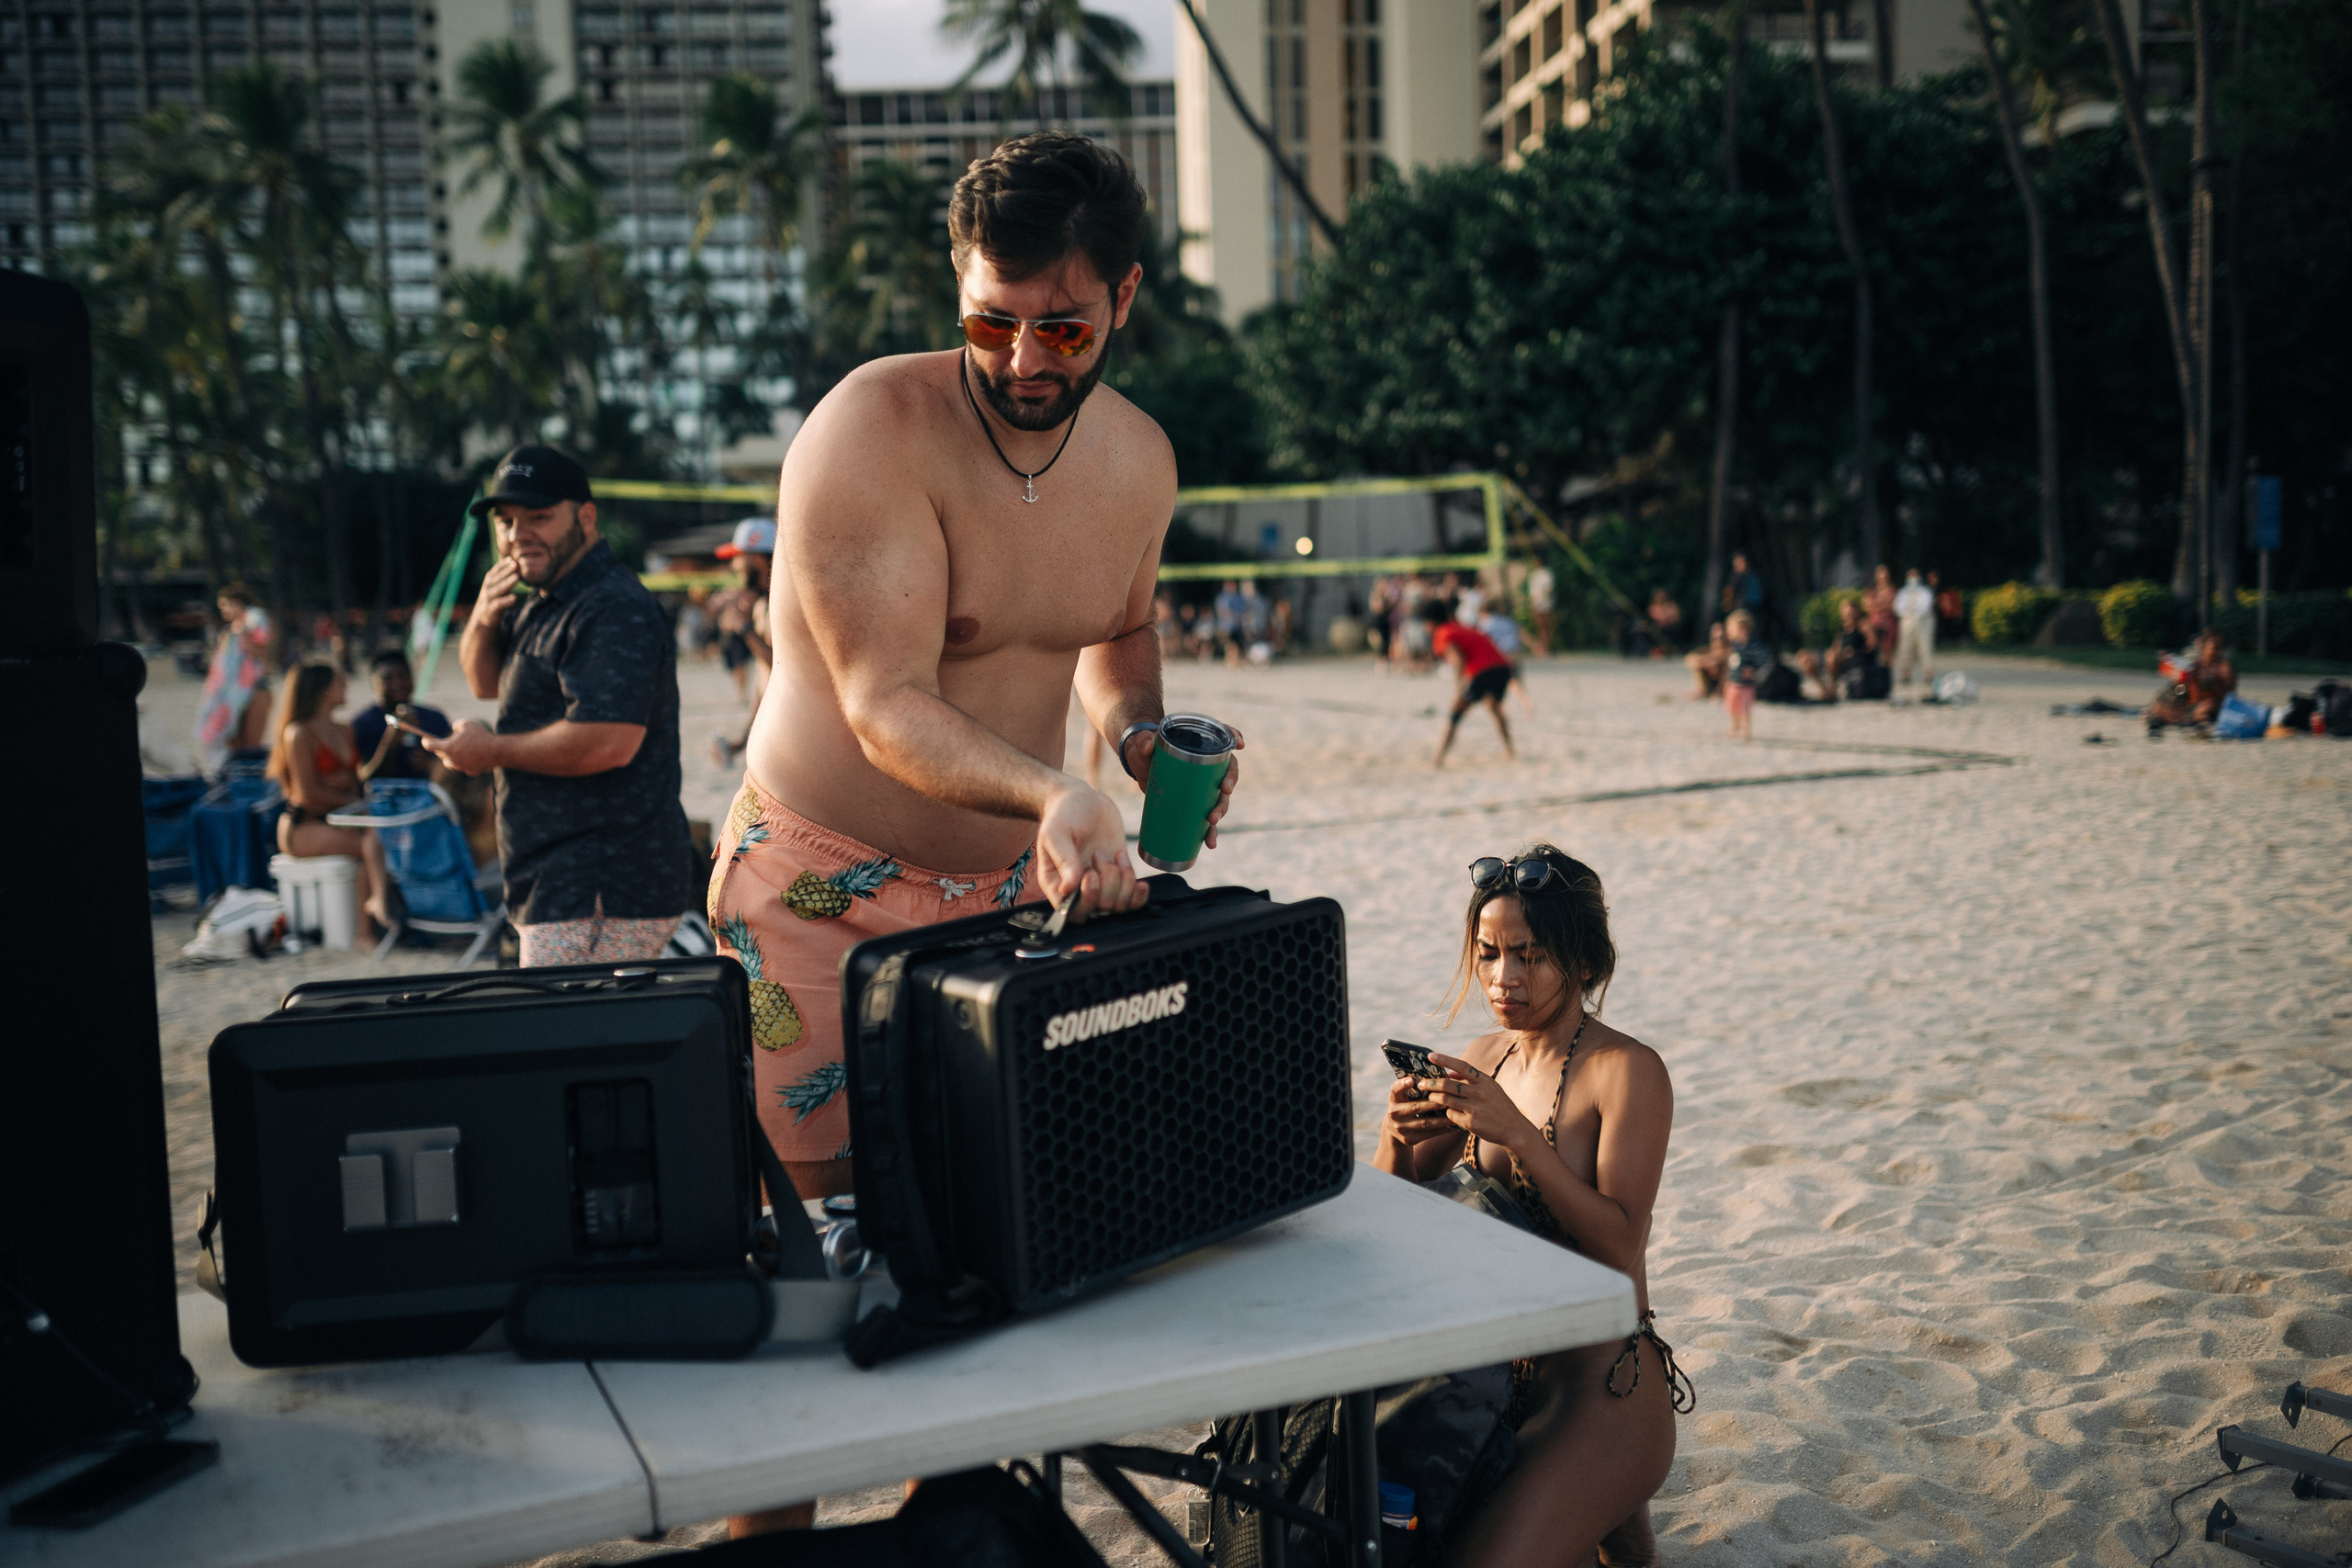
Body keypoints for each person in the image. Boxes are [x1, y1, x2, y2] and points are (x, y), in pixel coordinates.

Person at [709, 130, 1242, 1227]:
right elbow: (883, 705)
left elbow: (1115, 628)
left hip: (1012, 902)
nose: (1022, 361)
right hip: (819, 894)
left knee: (994, 1215)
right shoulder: (871, 432)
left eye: (1062, 327)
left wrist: (1140, 741)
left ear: (1124, 295)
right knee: (818, 1241)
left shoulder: (1139, 458)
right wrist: (1057, 791)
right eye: (988, 322)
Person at [1374, 847, 1683, 1568]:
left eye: (1530, 955)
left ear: (1583, 962)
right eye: (1489, 953)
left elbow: (1617, 1248)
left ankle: (1611, 1494)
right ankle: (1618, 1529)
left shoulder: (1627, 1070)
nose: (1503, 977)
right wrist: (1395, 1134)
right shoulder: (1492, 1056)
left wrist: (1515, 1132)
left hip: (1602, 1386)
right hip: (1492, 1390)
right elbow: (1392, 1220)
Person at [425, 444, 694, 968]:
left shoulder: (610, 606)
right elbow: (485, 683)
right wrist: (482, 618)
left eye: (539, 517)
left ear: (586, 517)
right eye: (506, 521)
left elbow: (608, 740)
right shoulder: (545, 599)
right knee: (583, 1041)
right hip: (560, 876)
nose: (518, 533)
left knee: (577, 1041)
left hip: (601, 879)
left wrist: (491, 751)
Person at [266, 660, 397, 941]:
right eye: (339, 682)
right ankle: (372, 920)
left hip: (341, 816)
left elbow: (355, 779)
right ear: (324, 690)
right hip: (304, 826)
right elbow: (307, 793)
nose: (346, 686)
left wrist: (389, 743)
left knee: (374, 847)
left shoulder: (345, 729)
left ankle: (367, 931)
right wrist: (351, 805)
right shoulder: (299, 733)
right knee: (370, 844)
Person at [710, 519, 776, 767]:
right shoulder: (761, 604)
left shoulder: (786, 604)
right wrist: (745, 739)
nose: (734, 566)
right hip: (775, 732)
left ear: (757, 559)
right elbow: (763, 685)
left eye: (738, 557)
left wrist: (745, 628)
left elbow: (781, 668)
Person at [195, 584, 275, 771]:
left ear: (237, 603)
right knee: (235, 744)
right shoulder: (238, 625)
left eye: (225, 606)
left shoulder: (252, 617)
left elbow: (261, 649)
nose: (223, 612)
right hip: (236, 692)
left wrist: (240, 637)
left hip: (252, 689)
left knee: (248, 746)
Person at [1428, 599, 1517, 765]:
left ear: (1430, 622)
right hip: (1502, 668)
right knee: (1494, 708)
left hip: (1483, 671)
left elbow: (1458, 659)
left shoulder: (1442, 633)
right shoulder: (1460, 626)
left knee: (1455, 713)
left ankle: (1438, 757)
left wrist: (1458, 689)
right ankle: (1510, 750)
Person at [348, 650, 451, 782]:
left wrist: (432, 766)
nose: (397, 683)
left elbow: (457, 769)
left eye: (403, 676)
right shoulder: (362, 724)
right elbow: (362, 778)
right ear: (374, 682)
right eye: (388, 679)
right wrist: (390, 740)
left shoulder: (435, 718)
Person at [2148, 630, 2237, 728]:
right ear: (2204, 648)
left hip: (2213, 705)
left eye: (2220, 648)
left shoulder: (2224, 668)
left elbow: (2229, 696)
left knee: (2207, 706)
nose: (2218, 651)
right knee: (2159, 705)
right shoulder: (2196, 666)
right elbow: (2183, 688)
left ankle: (2192, 719)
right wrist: (2178, 689)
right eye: (2215, 647)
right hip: (2192, 704)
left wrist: (2213, 683)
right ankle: (2181, 719)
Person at [1723, 610, 1768, 739]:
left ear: (1741, 629)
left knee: (1744, 708)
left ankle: (1746, 729)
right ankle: (1735, 725)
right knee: (1731, 706)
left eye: (1731, 629)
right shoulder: (1735, 647)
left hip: (1746, 686)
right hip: (1732, 682)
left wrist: (1755, 673)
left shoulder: (1754, 647)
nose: (1729, 632)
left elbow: (1765, 662)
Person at [1893, 568, 1936, 687]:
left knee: (1925, 648)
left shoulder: (1925, 592)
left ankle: (1928, 673)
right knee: (1905, 649)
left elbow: (1926, 607)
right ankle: (1906, 674)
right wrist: (1907, 614)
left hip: (1922, 623)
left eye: (1915, 576)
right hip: (1907, 622)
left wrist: (1916, 614)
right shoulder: (1903, 592)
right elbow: (1897, 607)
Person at [1863, 565, 1900, 668]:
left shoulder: (1893, 590)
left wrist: (1876, 606)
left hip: (1889, 625)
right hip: (1874, 624)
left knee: (1887, 651)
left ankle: (1886, 674)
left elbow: (1893, 607)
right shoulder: (1871, 590)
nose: (1882, 578)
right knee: (1872, 649)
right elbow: (1866, 606)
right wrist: (1883, 606)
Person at [1684, 620, 1730, 701]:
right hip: (1710, 679)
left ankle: (1720, 691)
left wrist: (1709, 661)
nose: (1718, 640)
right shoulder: (1707, 649)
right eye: (1715, 638)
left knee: (1726, 666)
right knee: (1698, 667)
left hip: (1723, 681)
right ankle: (1703, 690)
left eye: (1721, 638)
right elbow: (1689, 660)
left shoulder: (1730, 649)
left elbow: (1724, 657)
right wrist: (1708, 663)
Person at [1721, 551, 1764, 627]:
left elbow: (1729, 591)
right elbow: (1729, 592)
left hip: (1751, 609)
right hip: (1741, 609)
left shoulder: (1749, 575)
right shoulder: (1737, 576)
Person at [1525, 563, 1556, 655]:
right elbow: (1532, 591)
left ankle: (1547, 647)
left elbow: (1549, 588)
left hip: (1545, 602)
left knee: (1546, 625)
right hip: (1537, 602)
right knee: (1540, 626)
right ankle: (1542, 647)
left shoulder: (1546, 573)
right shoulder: (1534, 574)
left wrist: (1543, 597)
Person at [1645, 589, 1682, 657]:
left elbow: (1676, 619)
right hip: (1657, 628)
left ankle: (1666, 649)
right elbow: (1652, 618)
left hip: (1670, 628)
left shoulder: (1671, 605)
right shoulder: (1653, 607)